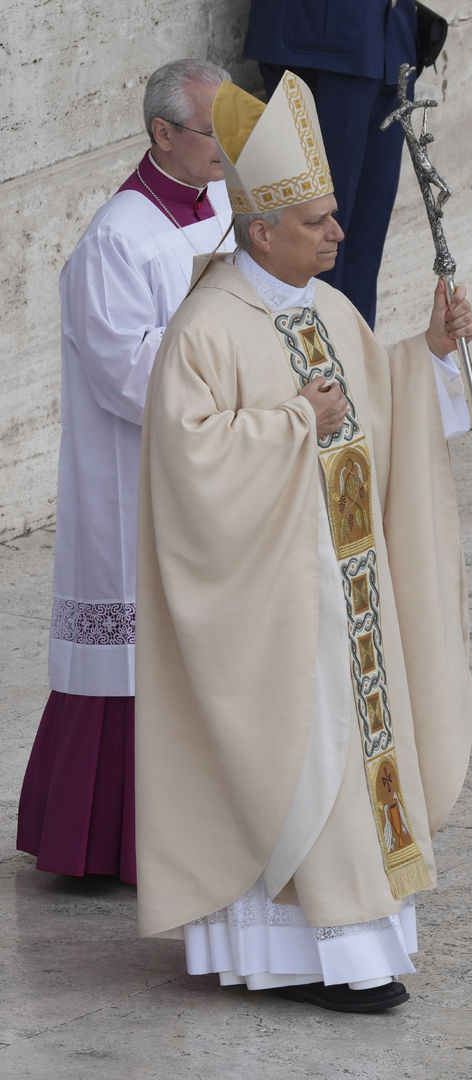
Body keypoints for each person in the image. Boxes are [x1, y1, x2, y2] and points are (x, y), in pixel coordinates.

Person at [134, 72, 472, 1013]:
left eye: (333, 218)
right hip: (276, 610)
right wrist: (293, 423)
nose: (337, 233)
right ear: (261, 232)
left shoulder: (327, 309)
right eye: (319, 220)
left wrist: (431, 356)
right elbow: (188, 466)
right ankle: (306, 957)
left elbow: (380, 402)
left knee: (356, 754)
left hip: (348, 593)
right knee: (306, 758)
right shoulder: (205, 332)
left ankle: (358, 947)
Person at [16, 58, 234, 885]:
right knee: (127, 668)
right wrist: (229, 377)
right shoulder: (117, 239)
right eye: (218, 133)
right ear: (163, 134)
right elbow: (125, 374)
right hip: (130, 481)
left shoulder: (218, 201)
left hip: (205, 470)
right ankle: (98, 841)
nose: (229, 149)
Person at [243, 0, 418, 328]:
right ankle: (315, 367)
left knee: (365, 239)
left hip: (388, 40)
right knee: (316, 234)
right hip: (321, 41)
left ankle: (356, 362)